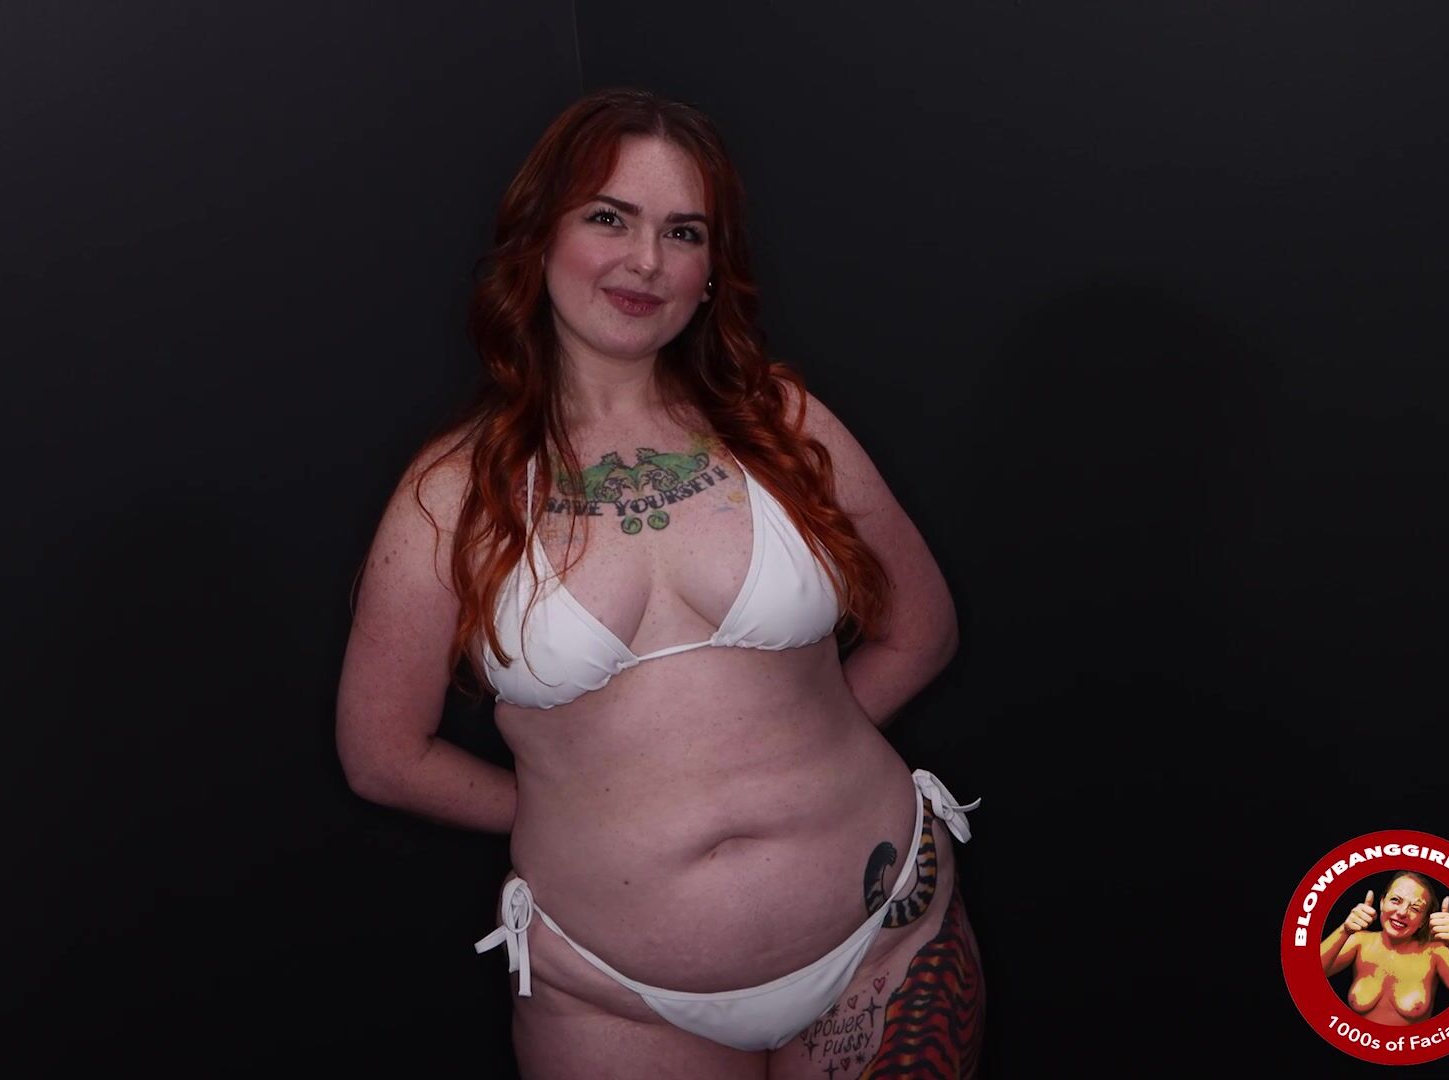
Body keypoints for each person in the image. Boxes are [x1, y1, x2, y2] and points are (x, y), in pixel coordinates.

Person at [335, 88, 983, 1078]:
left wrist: (798, 760)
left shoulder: (783, 423)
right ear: (540, 234)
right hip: (614, 997)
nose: (646, 261)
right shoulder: (451, 495)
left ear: (711, 270)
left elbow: (922, 628)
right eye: (610, 218)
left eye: (684, 232)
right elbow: (382, 754)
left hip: (882, 934)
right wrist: (581, 815)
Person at [1319, 871, 1449, 1025]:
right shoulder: (1359, 941)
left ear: (1423, 921)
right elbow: (1307, 976)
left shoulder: (1436, 952)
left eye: (1415, 908)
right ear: (1382, 902)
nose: (1402, 912)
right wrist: (1344, 930)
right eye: (1395, 900)